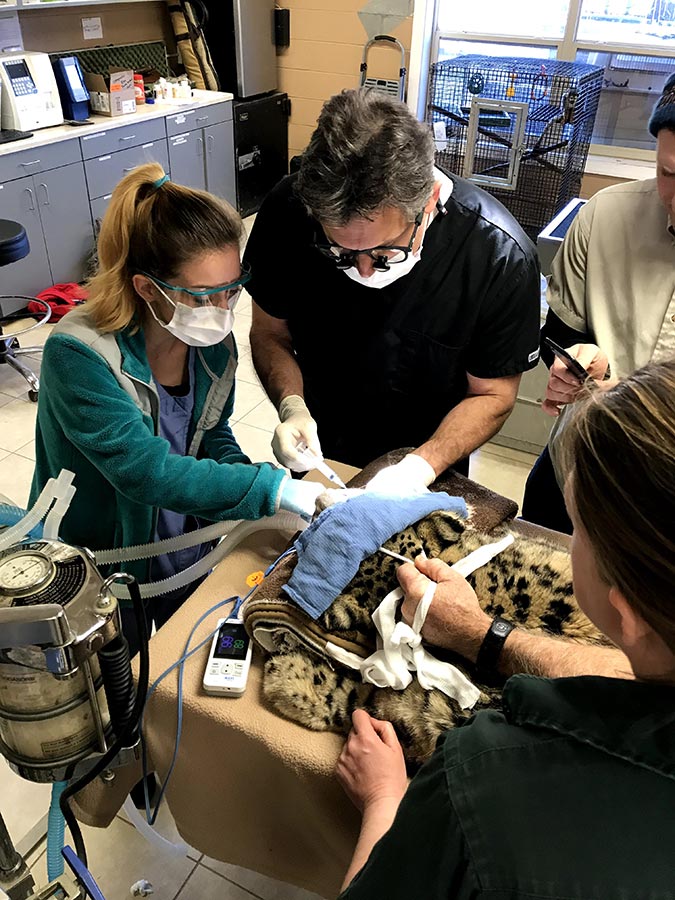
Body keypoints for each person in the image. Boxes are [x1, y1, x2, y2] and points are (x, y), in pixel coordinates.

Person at [335, 360, 675, 898]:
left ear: (627, 611)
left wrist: (385, 802)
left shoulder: (483, 780)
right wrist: (479, 632)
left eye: (578, 526)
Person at [30, 163, 328, 647]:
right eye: (205, 295)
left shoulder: (210, 346)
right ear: (147, 288)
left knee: (184, 657)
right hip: (102, 557)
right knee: (118, 675)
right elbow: (145, 472)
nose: (224, 308)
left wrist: (257, 477)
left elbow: (211, 437)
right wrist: (272, 489)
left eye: (233, 288)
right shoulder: (79, 355)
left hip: (179, 535)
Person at [245, 88, 541, 493]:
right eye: (340, 252)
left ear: (430, 201)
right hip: (320, 444)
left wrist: (422, 465)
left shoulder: (497, 256)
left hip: (432, 460)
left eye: (385, 251)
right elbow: (269, 332)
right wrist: (291, 405)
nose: (364, 269)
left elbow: (493, 394)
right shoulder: (287, 212)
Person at [521, 72, 675, 533]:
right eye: (669, 172)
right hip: (578, 460)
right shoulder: (605, 216)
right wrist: (577, 360)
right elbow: (559, 335)